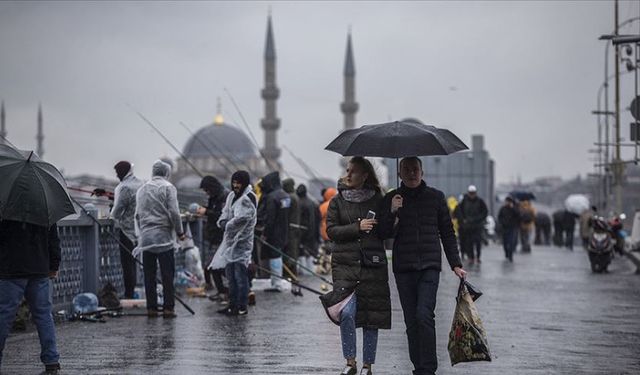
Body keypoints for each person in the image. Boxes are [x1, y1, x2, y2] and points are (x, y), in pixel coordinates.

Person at [379, 156, 466, 375]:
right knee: (411, 321)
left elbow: (447, 231)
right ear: (399, 174)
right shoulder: (392, 198)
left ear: (422, 172)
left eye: (415, 169)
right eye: (406, 170)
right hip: (404, 267)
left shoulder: (436, 198)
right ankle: (418, 366)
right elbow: (383, 233)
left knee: (423, 315)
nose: (411, 173)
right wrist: (392, 211)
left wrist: (455, 263)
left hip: (429, 265)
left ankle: (428, 369)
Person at [320, 156, 391, 375]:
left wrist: (394, 212)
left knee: (371, 317)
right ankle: (350, 362)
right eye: (348, 170)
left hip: (372, 264)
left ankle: (367, 366)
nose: (348, 174)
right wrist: (356, 227)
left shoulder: (379, 200)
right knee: (347, 313)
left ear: (365, 176)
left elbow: (387, 233)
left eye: (353, 171)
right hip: (344, 264)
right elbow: (331, 231)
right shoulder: (337, 201)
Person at [0, 219, 61, 374]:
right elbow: (53, 239)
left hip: (11, 269)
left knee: (4, 315)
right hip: (39, 268)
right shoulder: (44, 204)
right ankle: (52, 362)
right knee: (43, 315)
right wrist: (54, 265)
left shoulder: (5, 205)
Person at [134, 160, 185, 318]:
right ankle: (168, 308)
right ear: (166, 173)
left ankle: (152, 308)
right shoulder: (168, 188)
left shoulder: (142, 189)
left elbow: (137, 215)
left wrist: (142, 233)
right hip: (164, 238)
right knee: (167, 274)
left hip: (147, 239)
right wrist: (180, 232)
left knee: (149, 275)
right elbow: (174, 213)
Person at [212, 171, 257, 316]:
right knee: (230, 275)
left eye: (238, 183)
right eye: (234, 182)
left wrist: (227, 225)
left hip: (242, 243)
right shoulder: (231, 196)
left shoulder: (248, 198)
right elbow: (225, 212)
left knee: (240, 276)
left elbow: (242, 219)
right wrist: (222, 221)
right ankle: (232, 305)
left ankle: (242, 306)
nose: (235, 185)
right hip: (230, 242)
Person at [110, 161, 143, 299]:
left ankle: (129, 294)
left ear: (122, 172)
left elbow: (117, 212)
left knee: (127, 265)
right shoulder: (140, 184)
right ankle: (134, 291)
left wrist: (111, 213)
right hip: (140, 230)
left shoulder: (124, 188)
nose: (117, 176)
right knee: (135, 263)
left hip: (127, 231)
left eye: (118, 172)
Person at [197, 176, 228, 301]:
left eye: (206, 190)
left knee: (214, 265)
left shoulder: (224, 196)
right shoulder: (215, 196)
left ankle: (228, 289)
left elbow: (222, 216)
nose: (206, 192)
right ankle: (222, 291)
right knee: (213, 266)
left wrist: (206, 212)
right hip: (214, 236)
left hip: (221, 236)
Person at [257, 171, 289, 291]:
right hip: (283, 230)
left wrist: (265, 234)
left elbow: (270, 219)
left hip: (274, 232)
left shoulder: (272, 197)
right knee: (278, 255)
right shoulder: (284, 195)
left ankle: (276, 284)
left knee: (274, 256)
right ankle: (277, 282)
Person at [455, 185, 488, 263]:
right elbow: (459, 211)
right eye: (470, 193)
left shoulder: (480, 201)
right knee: (469, 242)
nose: (472, 195)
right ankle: (471, 257)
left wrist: (479, 219)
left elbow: (485, 212)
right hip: (468, 226)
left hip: (477, 226)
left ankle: (478, 256)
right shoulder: (464, 201)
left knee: (478, 242)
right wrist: (463, 220)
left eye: (473, 193)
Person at [296, 183, 321, 275]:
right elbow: (317, 218)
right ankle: (310, 272)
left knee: (302, 253)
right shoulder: (312, 203)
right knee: (310, 253)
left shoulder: (299, 203)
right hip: (312, 232)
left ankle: (305, 272)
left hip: (303, 231)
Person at [282, 178, 301, 277]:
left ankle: (290, 274)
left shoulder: (289, 198)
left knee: (290, 251)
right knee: (294, 251)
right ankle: (293, 273)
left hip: (290, 228)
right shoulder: (295, 196)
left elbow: (284, 213)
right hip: (295, 227)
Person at [497, 196, 520, 262]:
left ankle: (510, 255)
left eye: (509, 201)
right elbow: (499, 217)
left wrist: (512, 208)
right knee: (505, 242)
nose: (507, 203)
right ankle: (506, 253)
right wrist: (501, 223)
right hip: (504, 227)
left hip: (512, 227)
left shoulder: (514, 208)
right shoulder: (503, 209)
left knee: (511, 242)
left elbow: (518, 215)